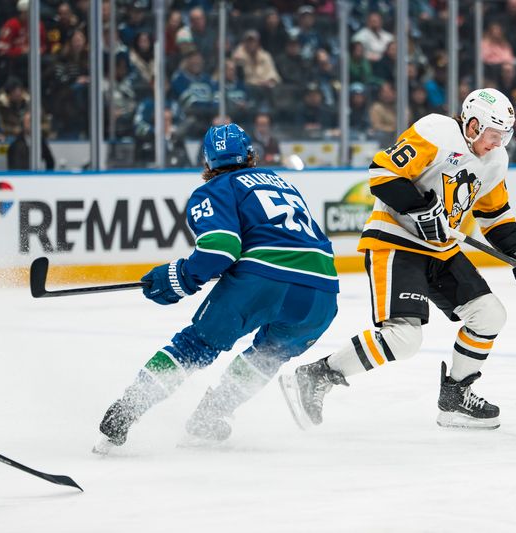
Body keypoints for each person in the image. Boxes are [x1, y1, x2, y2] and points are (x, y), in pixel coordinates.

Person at [279, 88, 516, 431]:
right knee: (404, 339)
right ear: (471, 126)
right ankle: (317, 375)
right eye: (493, 135)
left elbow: (495, 216)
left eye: (504, 136)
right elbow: (382, 173)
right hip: (396, 241)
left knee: (489, 315)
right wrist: (420, 207)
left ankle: (454, 399)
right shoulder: (436, 131)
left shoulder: (495, 160)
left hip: (441, 251)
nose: (498, 144)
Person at [94, 123, 339, 453]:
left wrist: (178, 276)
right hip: (321, 290)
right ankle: (208, 418)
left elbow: (220, 249)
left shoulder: (217, 188)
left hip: (262, 281)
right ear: (251, 156)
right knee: (268, 355)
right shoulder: (283, 183)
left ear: (207, 162)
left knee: (195, 345)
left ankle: (127, 410)